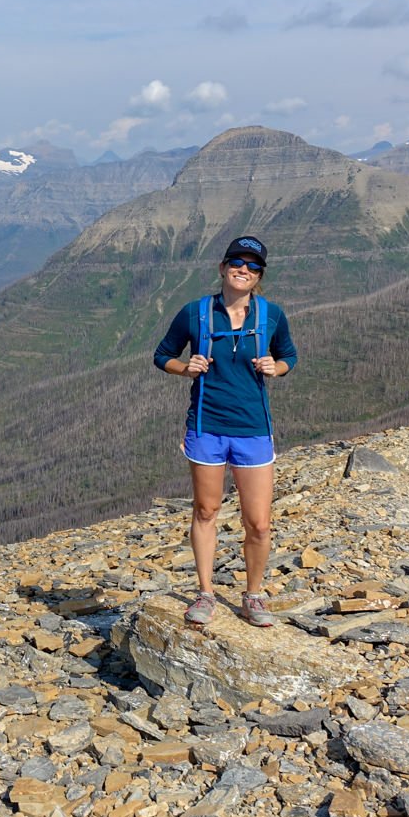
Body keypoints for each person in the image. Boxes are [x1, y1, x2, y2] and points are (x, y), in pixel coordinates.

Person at [152, 236, 298, 627]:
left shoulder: (270, 315)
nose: (244, 271)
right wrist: (185, 368)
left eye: (253, 267)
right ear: (222, 267)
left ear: (259, 275)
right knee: (206, 510)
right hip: (207, 426)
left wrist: (276, 368)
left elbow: (290, 356)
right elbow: (162, 354)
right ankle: (205, 593)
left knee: (259, 522)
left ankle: (253, 596)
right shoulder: (195, 313)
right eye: (237, 262)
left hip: (253, 429)